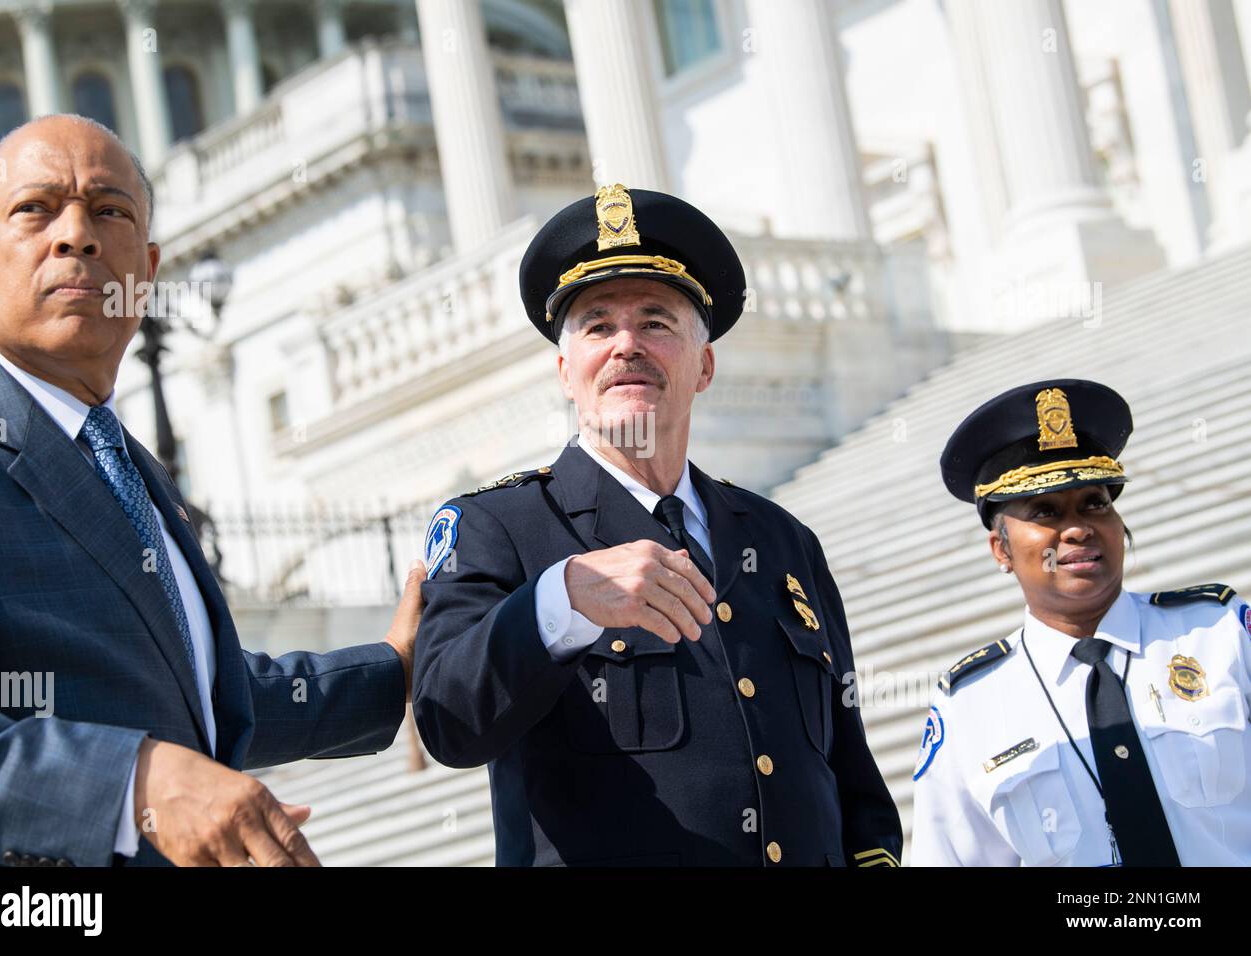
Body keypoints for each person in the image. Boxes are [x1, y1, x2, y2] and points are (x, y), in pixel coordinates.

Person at [0, 114, 422, 867]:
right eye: (35, 209)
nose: (76, 235)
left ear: (147, 269)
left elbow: (200, 696)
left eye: (111, 211)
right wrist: (137, 784)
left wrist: (394, 672)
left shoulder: (127, 466)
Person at [412, 184, 902, 866]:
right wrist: (561, 599)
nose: (626, 346)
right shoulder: (498, 527)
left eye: (656, 322)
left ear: (703, 366)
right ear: (565, 372)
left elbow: (849, 772)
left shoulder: (779, 538)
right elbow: (447, 720)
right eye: (597, 325)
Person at [911, 379, 1251, 866]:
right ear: (1001, 549)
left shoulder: (1219, 633)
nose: (1077, 528)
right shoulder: (969, 706)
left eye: (1095, 503)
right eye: (1045, 511)